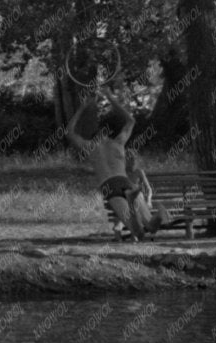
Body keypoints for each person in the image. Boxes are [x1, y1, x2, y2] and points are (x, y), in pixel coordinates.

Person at [66, 91, 165, 239]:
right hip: (125, 181)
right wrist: (111, 99)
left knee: (137, 232)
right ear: (106, 135)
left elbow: (69, 132)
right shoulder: (118, 143)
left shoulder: (90, 147)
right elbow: (131, 121)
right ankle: (155, 213)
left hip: (109, 185)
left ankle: (133, 206)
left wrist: (82, 107)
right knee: (150, 226)